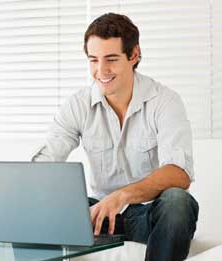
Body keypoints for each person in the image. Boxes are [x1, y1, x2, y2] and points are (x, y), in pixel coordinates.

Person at [32, 13, 199, 261]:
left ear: (134, 55)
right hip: (98, 215)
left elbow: (178, 173)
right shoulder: (78, 104)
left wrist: (121, 196)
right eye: (93, 60)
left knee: (177, 201)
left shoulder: (165, 101)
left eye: (111, 59)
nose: (101, 71)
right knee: (48, 207)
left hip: (148, 214)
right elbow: (48, 159)